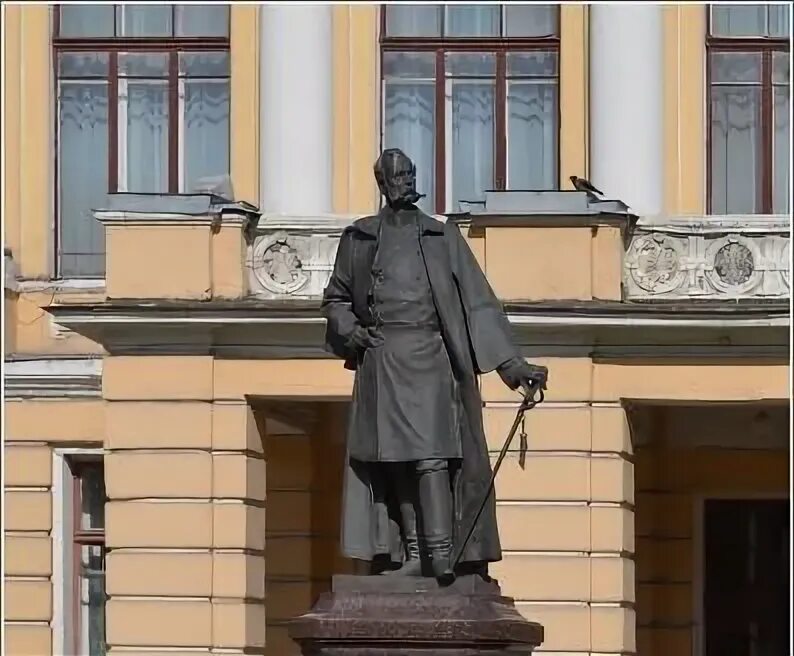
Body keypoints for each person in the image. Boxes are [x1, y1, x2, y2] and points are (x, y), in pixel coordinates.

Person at [322, 148, 548, 581]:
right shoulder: (360, 239)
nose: (404, 182)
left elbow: (478, 305)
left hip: (431, 359)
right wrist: (350, 330)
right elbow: (335, 298)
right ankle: (413, 554)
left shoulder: (441, 238)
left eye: (408, 173)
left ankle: (441, 553)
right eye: (395, 177)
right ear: (382, 185)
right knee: (396, 463)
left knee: (433, 458)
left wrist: (513, 367)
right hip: (382, 360)